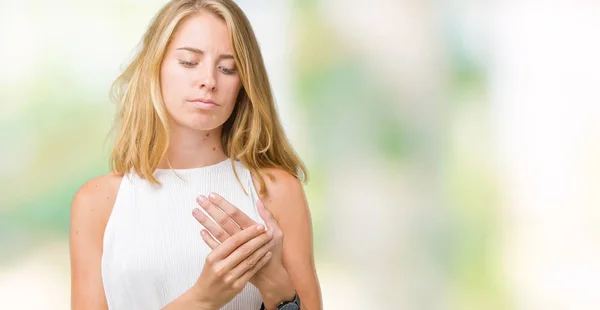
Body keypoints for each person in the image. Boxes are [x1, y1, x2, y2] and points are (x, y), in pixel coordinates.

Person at [69, 0, 322, 309]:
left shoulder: (276, 192)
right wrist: (202, 299)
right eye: (189, 62)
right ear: (155, 66)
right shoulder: (98, 202)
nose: (209, 81)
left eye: (228, 68)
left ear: (244, 84)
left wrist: (277, 287)